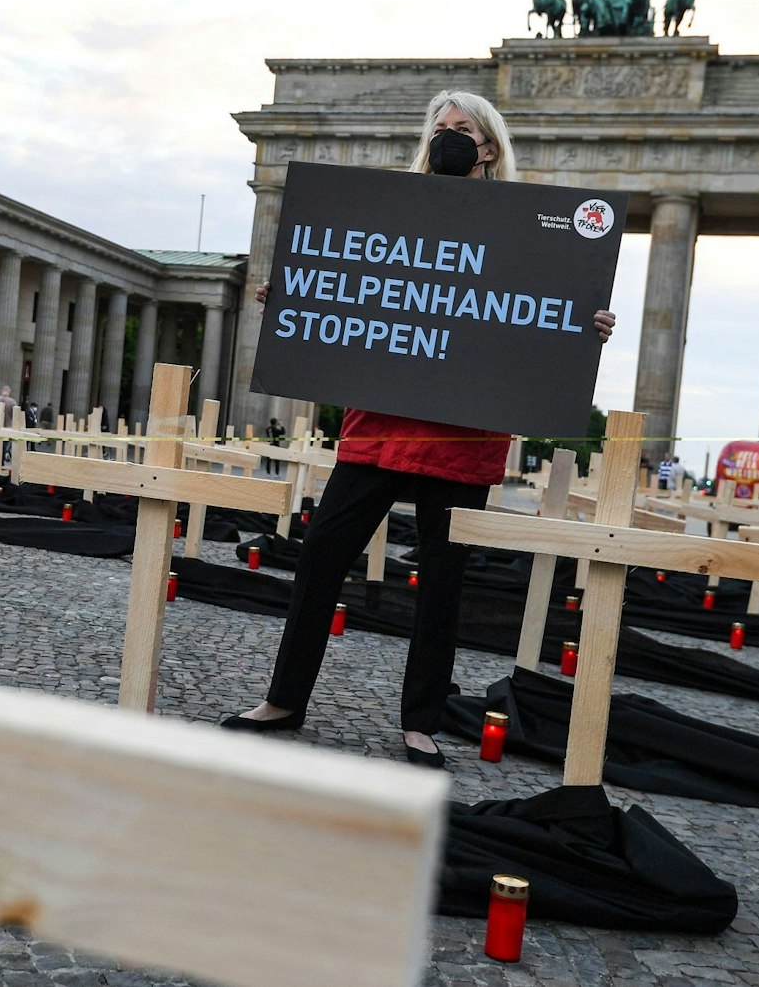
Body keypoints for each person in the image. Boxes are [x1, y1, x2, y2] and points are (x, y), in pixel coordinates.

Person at [221, 90, 617, 769]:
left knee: (441, 583)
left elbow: (534, 318)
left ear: (488, 147)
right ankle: (283, 698)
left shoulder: (526, 228)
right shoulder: (394, 211)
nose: (449, 139)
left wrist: (589, 328)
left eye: (463, 130)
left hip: (463, 439)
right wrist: (296, 291)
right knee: (319, 561)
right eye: (440, 129)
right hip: (380, 425)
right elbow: (347, 284)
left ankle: (420, 722)